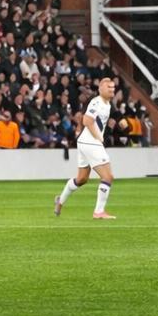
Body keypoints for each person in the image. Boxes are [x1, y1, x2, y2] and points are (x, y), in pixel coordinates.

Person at [54, 76, 120, 220]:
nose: (112, 90)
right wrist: (99, 137)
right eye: (109, 87)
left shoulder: (108, 105)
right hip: (91, 142)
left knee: (82, 178)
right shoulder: (95, 102)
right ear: (101, 88)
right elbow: (87, 120)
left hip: (85, 142)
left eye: (113, 88)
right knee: (108, 176)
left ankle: (61, 200)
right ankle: (99, 211)